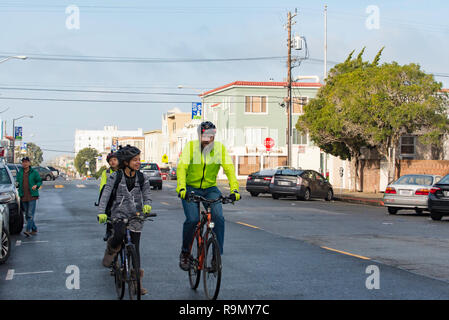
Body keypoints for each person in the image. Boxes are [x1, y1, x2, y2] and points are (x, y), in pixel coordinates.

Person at [176, 121, 241, 271]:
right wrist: (181, 188)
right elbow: (182, 167)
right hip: (190, 188)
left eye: (211, 136)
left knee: (218, 217)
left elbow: (229, 169)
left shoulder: (219, 149)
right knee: (193, 220)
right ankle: (185, 253)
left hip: (210, 188)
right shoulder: (191, 147)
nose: (208, 139)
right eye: (205, 135)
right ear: (199, 135)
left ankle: (216, 256)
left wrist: (235, 190)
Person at [97, 145, 152, 295]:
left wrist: (147, 204)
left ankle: (137, 284)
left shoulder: (142, 177)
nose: (138, 162)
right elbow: (106, 195)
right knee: (119, 234)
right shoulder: (115, 176)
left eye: (139, 159)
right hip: (119, 214)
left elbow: (147, 193)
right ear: (126, 162)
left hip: (136, 216)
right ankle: (112, 248)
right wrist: (101, 212)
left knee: (135, 249)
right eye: (135, 160)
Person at [16, 157, 43, 237]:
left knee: (30, 214)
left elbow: (39, 181)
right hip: (23, 196)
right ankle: (34, 228)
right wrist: (17, 185)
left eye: (26, 162)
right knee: (27, 214)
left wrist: (36, 186)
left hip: (32, 196)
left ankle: (28, 230)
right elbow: (17, 182)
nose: (24, 163)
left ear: (29, 163)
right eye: (23, 162)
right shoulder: (20, 172)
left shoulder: (33, 172)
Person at [98, 152, 119, 241]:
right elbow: (103, 187)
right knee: (109, 211)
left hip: (122, 195)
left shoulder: (123, 171)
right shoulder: (105, 173)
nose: (112, 162)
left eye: (114, 160)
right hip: (110, 195)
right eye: (110, 161)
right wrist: (102, 200)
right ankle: (108, 231)